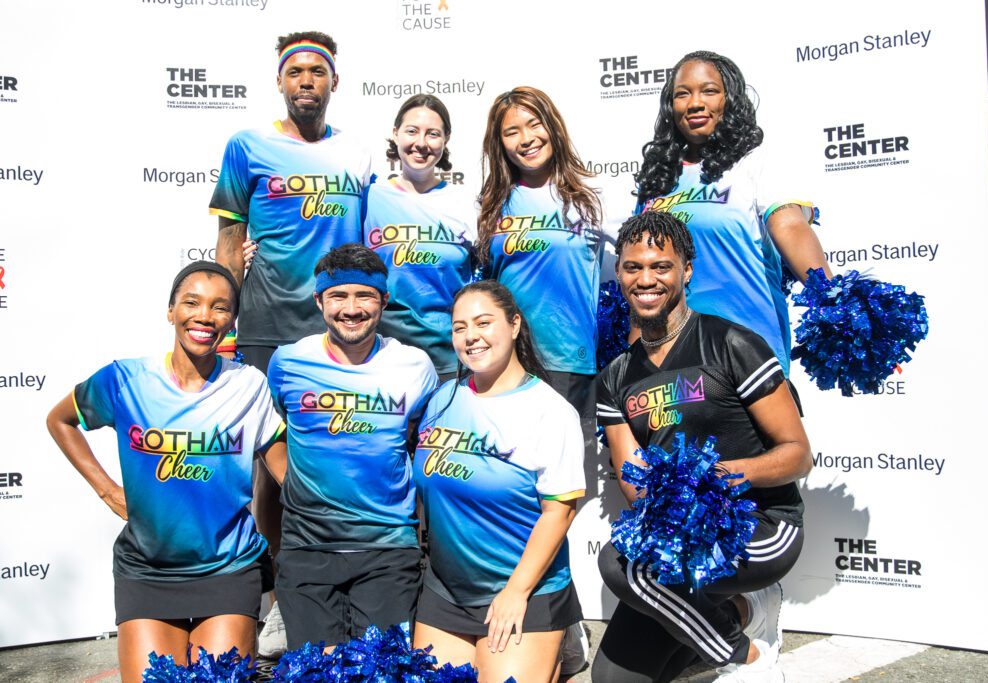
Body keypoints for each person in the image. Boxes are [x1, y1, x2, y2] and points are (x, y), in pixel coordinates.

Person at [592, 212, 812, 683]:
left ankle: (742, 653)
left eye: (660, 266)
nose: (645, 279)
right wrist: (674, 509)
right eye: (632, 268)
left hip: (759, 527)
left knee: (617, 562)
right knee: (613, 678)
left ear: (686, 270)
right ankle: (729, 609)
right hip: (677, 538)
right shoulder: (615, 378)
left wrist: (719, 477)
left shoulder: (732, 343)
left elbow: (797, 454)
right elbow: (636, 485)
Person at [209, 30, 371, 655]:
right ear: (280, 81)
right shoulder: (247, 145)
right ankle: (279, 598)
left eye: (317, 72)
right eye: (296, 71)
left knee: (342, 459)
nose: (306, 81)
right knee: (269, 472)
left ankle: (348, 585)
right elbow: (229, 240)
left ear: (335, 82)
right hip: (268, 328)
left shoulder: (356, 155)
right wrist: (223, 320)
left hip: (343, 327)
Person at [45, 262, 284, 683]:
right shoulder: (125, 380)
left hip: (228, 569)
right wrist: (107, 491)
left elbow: (286, 472)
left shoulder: (250, 385)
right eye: (191, 302)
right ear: (170, 310)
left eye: (221, 307)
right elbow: (61, 421)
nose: (205, 316)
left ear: (232, 320)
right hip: (147, 570)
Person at [264, 244, 438, 650]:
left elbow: (424, 443)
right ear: (319, 301)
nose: (352, 308)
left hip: (388, 549)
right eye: (339, 295)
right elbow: (268, 432)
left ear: (384, 301)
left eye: (365, 295)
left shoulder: (415, 366)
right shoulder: (287, 362)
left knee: (383, 671)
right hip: (307, 548)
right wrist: (293, 482)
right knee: (315, 673)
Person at [412, 280, 585, 683]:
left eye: (483, 322)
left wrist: (516, 593)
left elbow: (559, 512)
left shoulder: (550, 411)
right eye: (459, 327)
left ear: (514, 325)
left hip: (523, 590)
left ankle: (558, 643)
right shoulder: (442, 398)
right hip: (446, 592)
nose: (470, 336)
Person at [635, 50, 831, 377]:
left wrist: (833, 301)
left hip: (748, 359)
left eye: (709, 91)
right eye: (683, 94)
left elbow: (788, 224)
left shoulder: (754, 163)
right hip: (672, 364)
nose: (695, 102)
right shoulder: (658, 179)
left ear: (730, 99)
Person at [477, 86, 607, 415]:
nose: (526, 138)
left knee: (571, 465)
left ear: (553, 126)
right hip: (506, 363)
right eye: (512, 131)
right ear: (500, 144)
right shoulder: (486, 206)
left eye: (535, 124)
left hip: (568, 363)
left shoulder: (592, 198)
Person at [363, 94, 477, 380]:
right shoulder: (369, 197)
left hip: (453, 358)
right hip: (384, 357)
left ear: (446, 139)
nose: (421, 143)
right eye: (412, 131)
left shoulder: (467, 203)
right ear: (395, 134)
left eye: (433, 134)